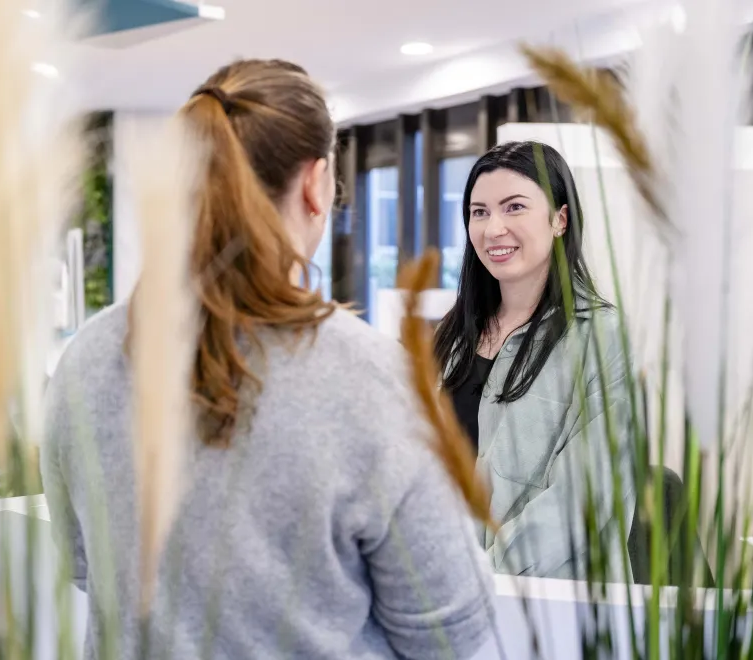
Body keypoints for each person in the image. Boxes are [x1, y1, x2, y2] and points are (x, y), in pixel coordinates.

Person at [43, 59, 494, 660]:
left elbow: (83, 566)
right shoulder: (369, 374)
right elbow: (449, 627)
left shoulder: (86, 360)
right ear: (316, 183)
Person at [434, 141, 635, 581]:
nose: (493, 228)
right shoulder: (452, 335)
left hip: (543, 604)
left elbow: (586, 496)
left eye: (515, 207)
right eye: (479, 212)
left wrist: (483, 577)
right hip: (441, 586)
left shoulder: (600, 336)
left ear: (560, 219)